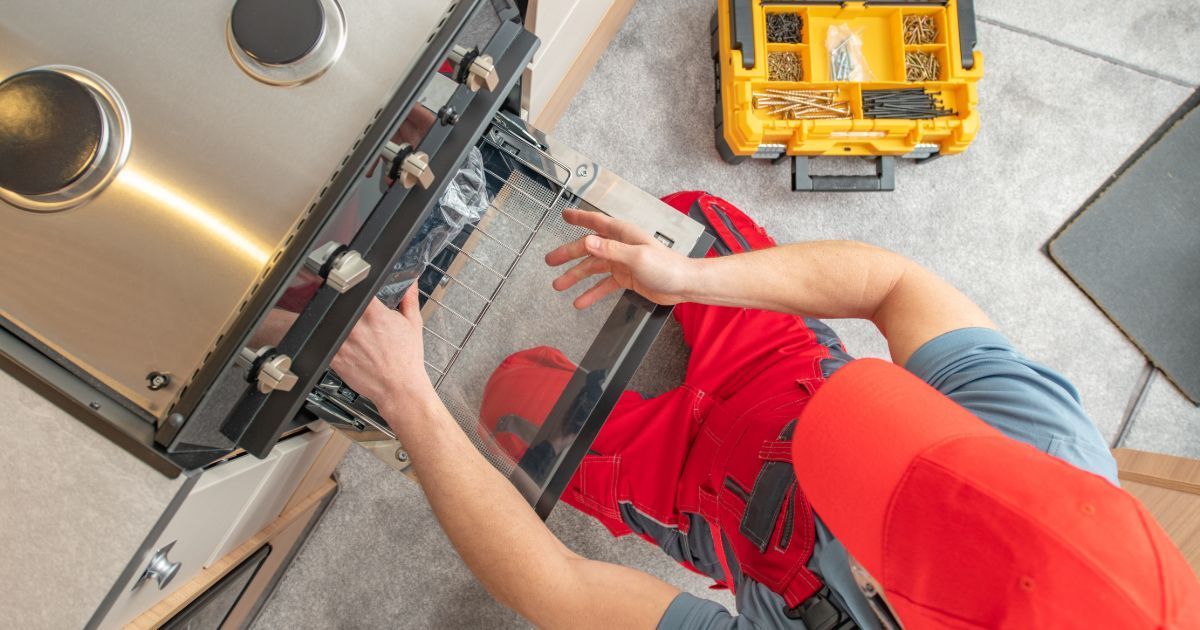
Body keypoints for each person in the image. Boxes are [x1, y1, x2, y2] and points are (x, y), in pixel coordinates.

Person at [333, 191, 1200, 628]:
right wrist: (692, 280)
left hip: (699, 494)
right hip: (795, 380)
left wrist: (408, 399)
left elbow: (561, 589)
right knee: (673, 221)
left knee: (506, 394)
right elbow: (895, 285)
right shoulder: (1055, 448)